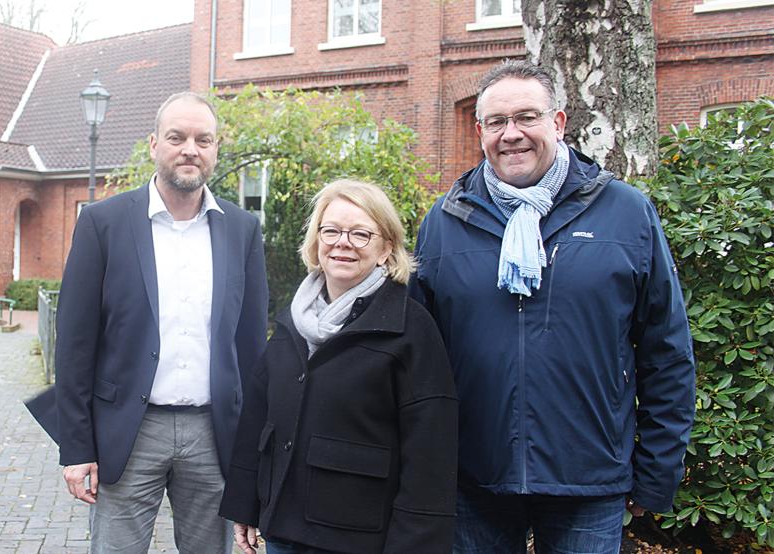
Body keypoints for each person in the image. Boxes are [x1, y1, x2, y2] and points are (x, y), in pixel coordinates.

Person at [409, 60, 696, 553]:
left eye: (527, 117)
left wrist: (656, 473)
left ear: (559, 123)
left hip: (589, 479)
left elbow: (666, 352)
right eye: (497, 122)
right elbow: (416, 358)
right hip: (473, 480)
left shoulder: (626, 213)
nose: (512, 134)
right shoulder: (445, 219)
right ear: (480, 131)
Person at [54, 91, 269, 553]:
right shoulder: (103, 223)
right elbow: (74, 344)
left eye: (203, 139)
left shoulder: (242, 229)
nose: (190, 148)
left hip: (214, 434)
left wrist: (253, 453)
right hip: (128, 430)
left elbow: (251, 347)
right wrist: (76, 448)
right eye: (177, 136)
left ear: (215, 149)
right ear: (154, 144)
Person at [220, 179, 458, 554]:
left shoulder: (411, 329)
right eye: (330, 231)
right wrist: (245, 503)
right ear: (316, 243)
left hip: (358, 536)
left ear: (386, 250)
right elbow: (258, 416)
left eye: (361, 234)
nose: (342, 242)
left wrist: (416, 542)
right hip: (283, 528)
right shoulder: (293, 321)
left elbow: (430, 451)